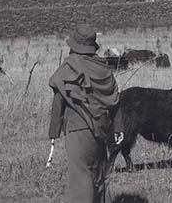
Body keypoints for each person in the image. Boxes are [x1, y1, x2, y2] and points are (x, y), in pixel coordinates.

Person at [48, 24, 119, 203]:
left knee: (80, 177)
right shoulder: (103, 67)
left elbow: (59, 100)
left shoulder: (70, 66)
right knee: (99, 173)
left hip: (77, 130)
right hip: (102, 128)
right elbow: (114, 100)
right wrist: (113, 127)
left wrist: (54, 131)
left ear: (74, 45)